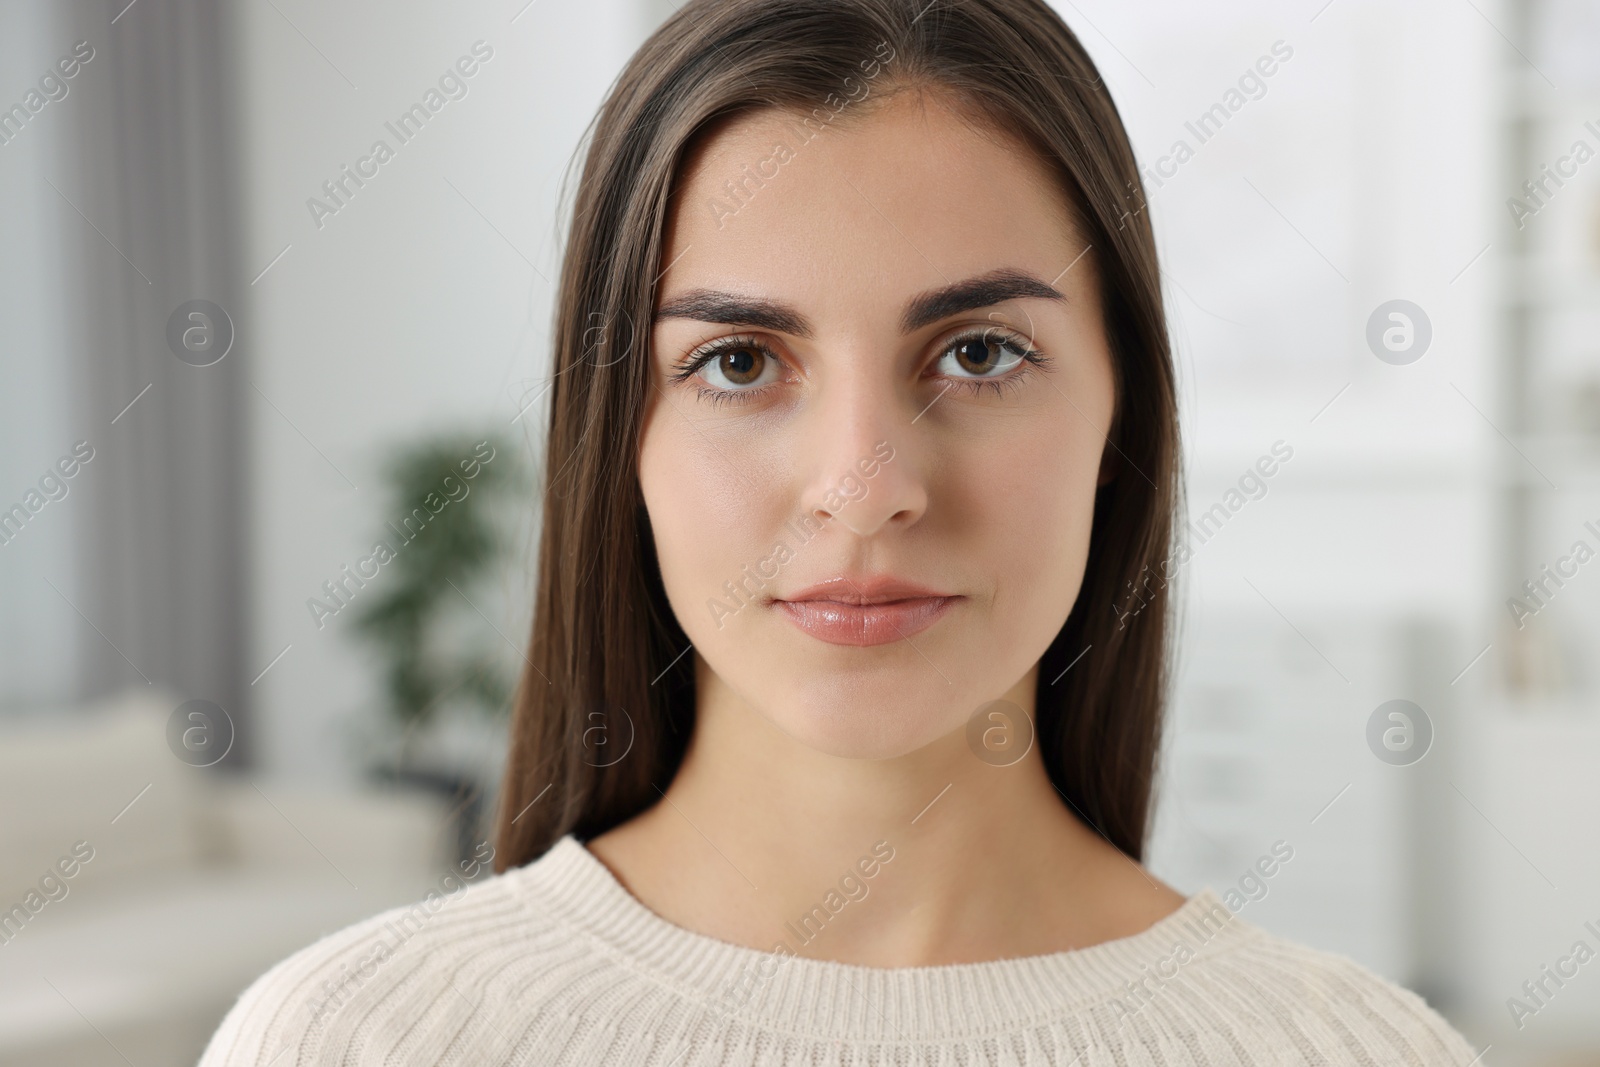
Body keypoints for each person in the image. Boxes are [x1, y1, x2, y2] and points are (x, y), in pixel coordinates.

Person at [198, 0, 1480, 1062]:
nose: (864, 490)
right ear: (617, 439)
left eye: (978, 353)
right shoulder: (351, 1038)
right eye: (740, 361)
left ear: (1120, 417)